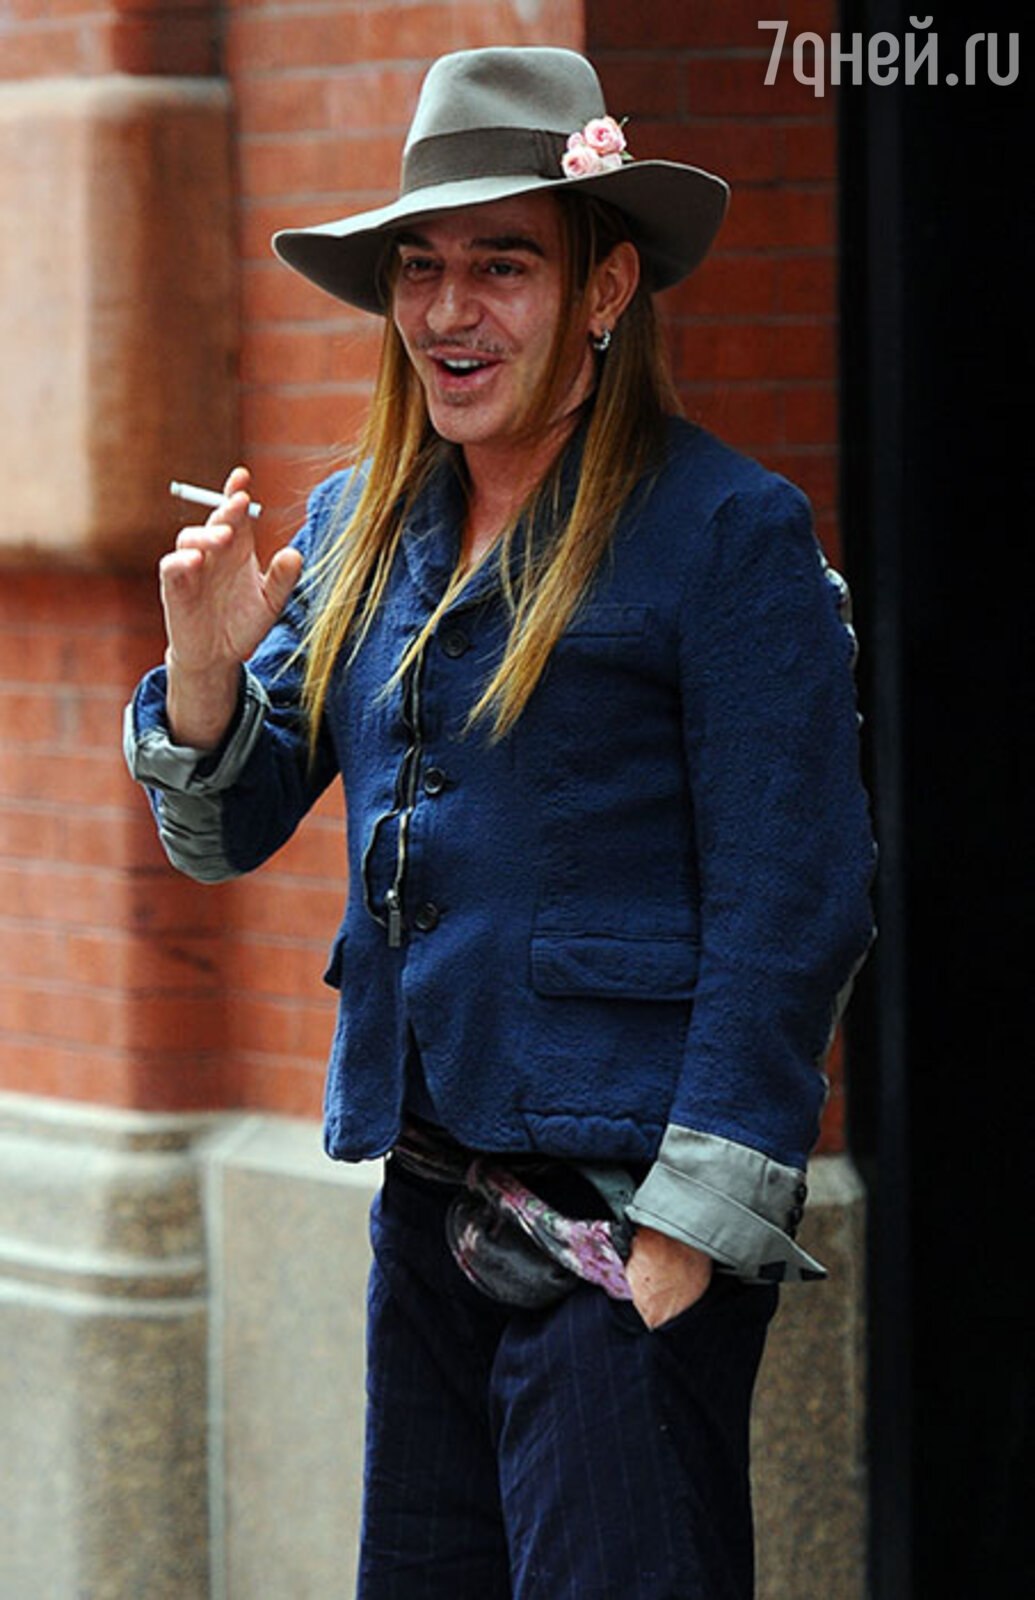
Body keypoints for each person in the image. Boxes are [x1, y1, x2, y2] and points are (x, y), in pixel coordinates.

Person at [125, 46, 875, 1599]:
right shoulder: (356, 522)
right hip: (427, 1213)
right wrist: (202, 672)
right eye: (421, 266)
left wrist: (682, 1243)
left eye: (503, 265)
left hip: (621, 1228)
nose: (448, 311)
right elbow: (226, 830)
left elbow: (793, 901)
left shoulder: (725, 532)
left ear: (605, 288)